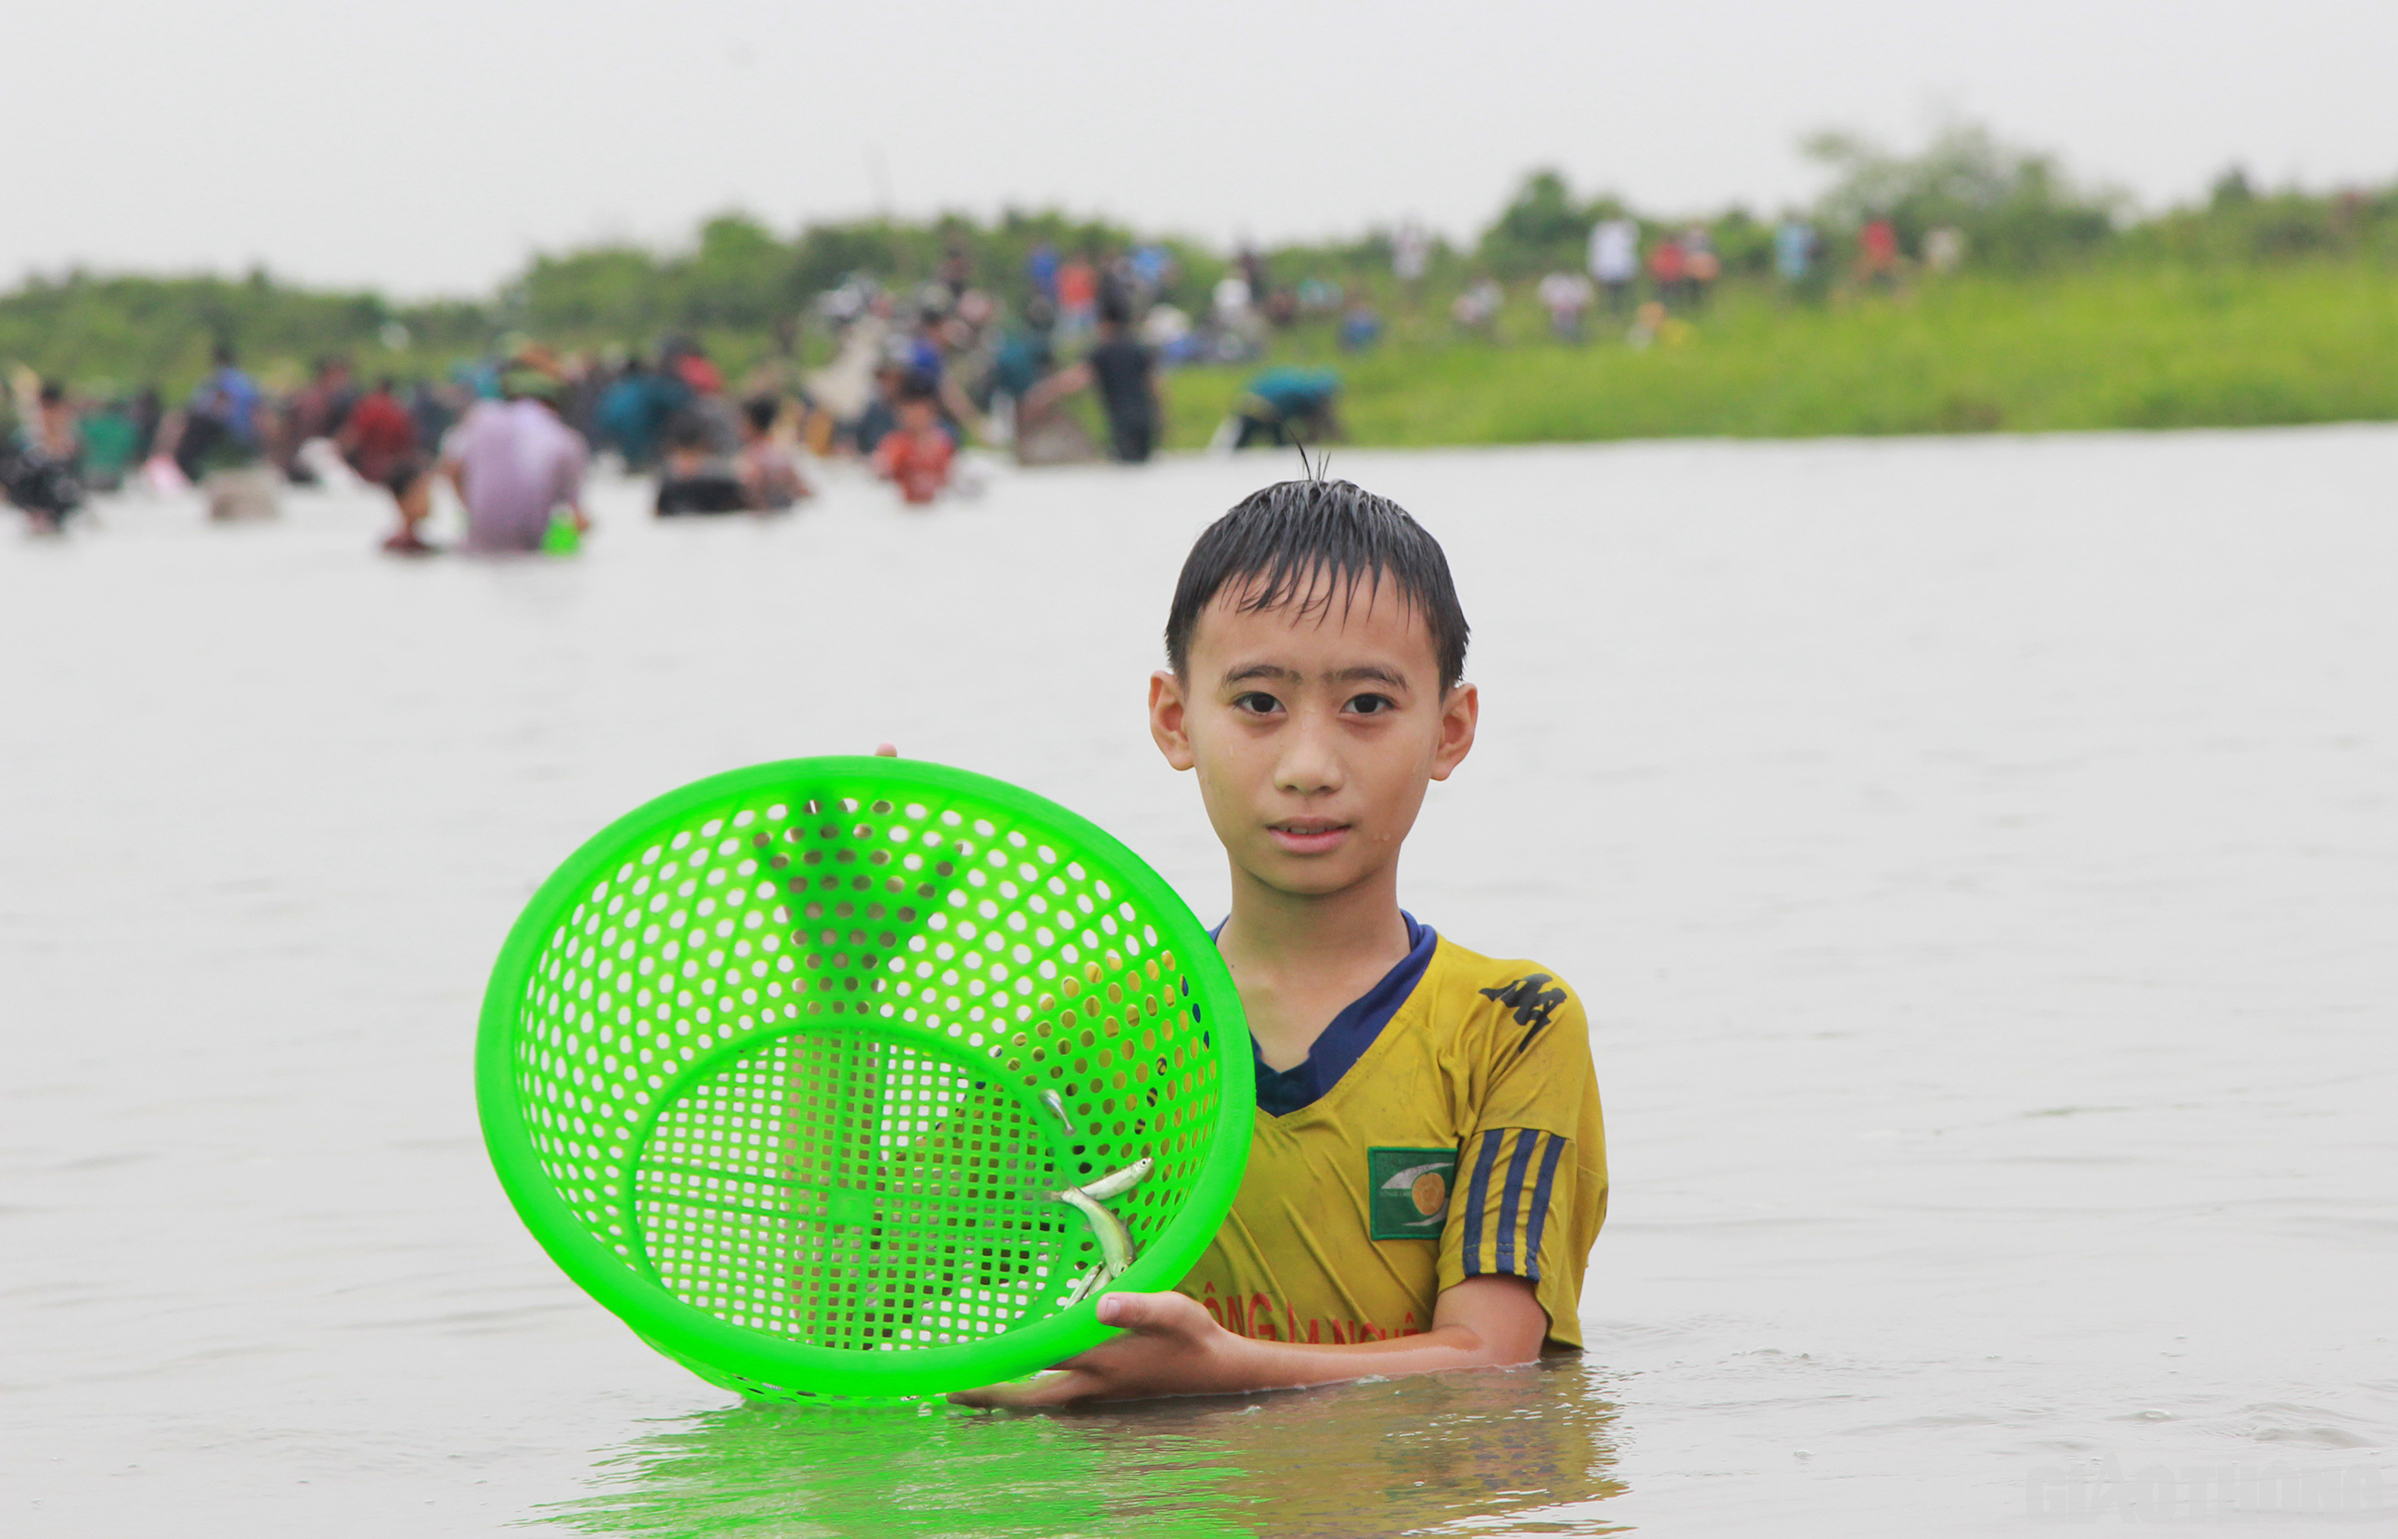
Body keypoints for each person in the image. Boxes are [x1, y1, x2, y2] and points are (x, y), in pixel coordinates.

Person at [952, 478, 1606, 1405]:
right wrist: (840, 992)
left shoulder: (1510, 1025)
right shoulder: (1099, 1031)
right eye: (1258, 702)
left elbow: (1494, 1363)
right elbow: (835, 1309)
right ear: (1176, 720)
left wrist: (1218, 1377)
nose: (1308, 766)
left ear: (1449, 730)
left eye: (1369, 705)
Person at [438, 362, 588, 552]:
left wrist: (470, 506)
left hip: (478, 544)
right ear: (554, 403)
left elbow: (449, 467)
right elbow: (578, 518)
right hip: (530, 549)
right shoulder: (567, 439)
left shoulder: (480, 418)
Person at [1021, 296, 1163, 463]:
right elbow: (1156, 385)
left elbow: (1078, 378)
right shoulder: (1138, 349)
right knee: (1141, 467)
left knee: (1127, 470)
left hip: (1122, 421)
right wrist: (1162, 419)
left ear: (1106, 323)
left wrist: (1044, 392)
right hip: (1144, 420)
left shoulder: (1103, 352)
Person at [871, 371, 954, 504]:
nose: (915, 416)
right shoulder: (895, 444)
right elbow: (882, 472)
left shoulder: (943, 443)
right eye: (910, 409)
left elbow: (949, 481)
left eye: (920, 409)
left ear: (932, 410)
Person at [734, 396, 810, 510]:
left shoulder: (750, 459)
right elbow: (805, 492)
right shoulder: (782, 455)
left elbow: (750, 495)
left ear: (751, 423)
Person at [1588, 217, 1639, 315]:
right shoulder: (1601, 229)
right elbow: (1596, 250)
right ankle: (1607, 314)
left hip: (1621, 269)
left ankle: (1621, 313)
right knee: (1607, 295)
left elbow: (1631, 248)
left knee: (1622, 295)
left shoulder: (1626, 228)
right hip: (1606, 269)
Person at [1536, 270, 1595, 342]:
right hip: (1557, 309)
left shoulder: (1579, 279)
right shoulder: (1551, 280)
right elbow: (1544, 298)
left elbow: (1587, 298)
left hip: (1575, 309)